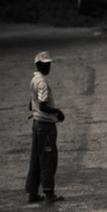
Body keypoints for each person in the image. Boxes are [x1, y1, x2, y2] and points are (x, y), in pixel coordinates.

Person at [25, 51, 65, 204]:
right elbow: (42, 105)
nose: (47, 67)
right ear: (38, 65)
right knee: (48, 158)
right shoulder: (42, 82)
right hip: (45, 125)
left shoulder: (34, 80)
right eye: (44, 64)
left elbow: (32, 104)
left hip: (36, 123)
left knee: (35, 159)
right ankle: (49, 193)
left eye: (48, 64)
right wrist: (57, 112)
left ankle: (32, 193)